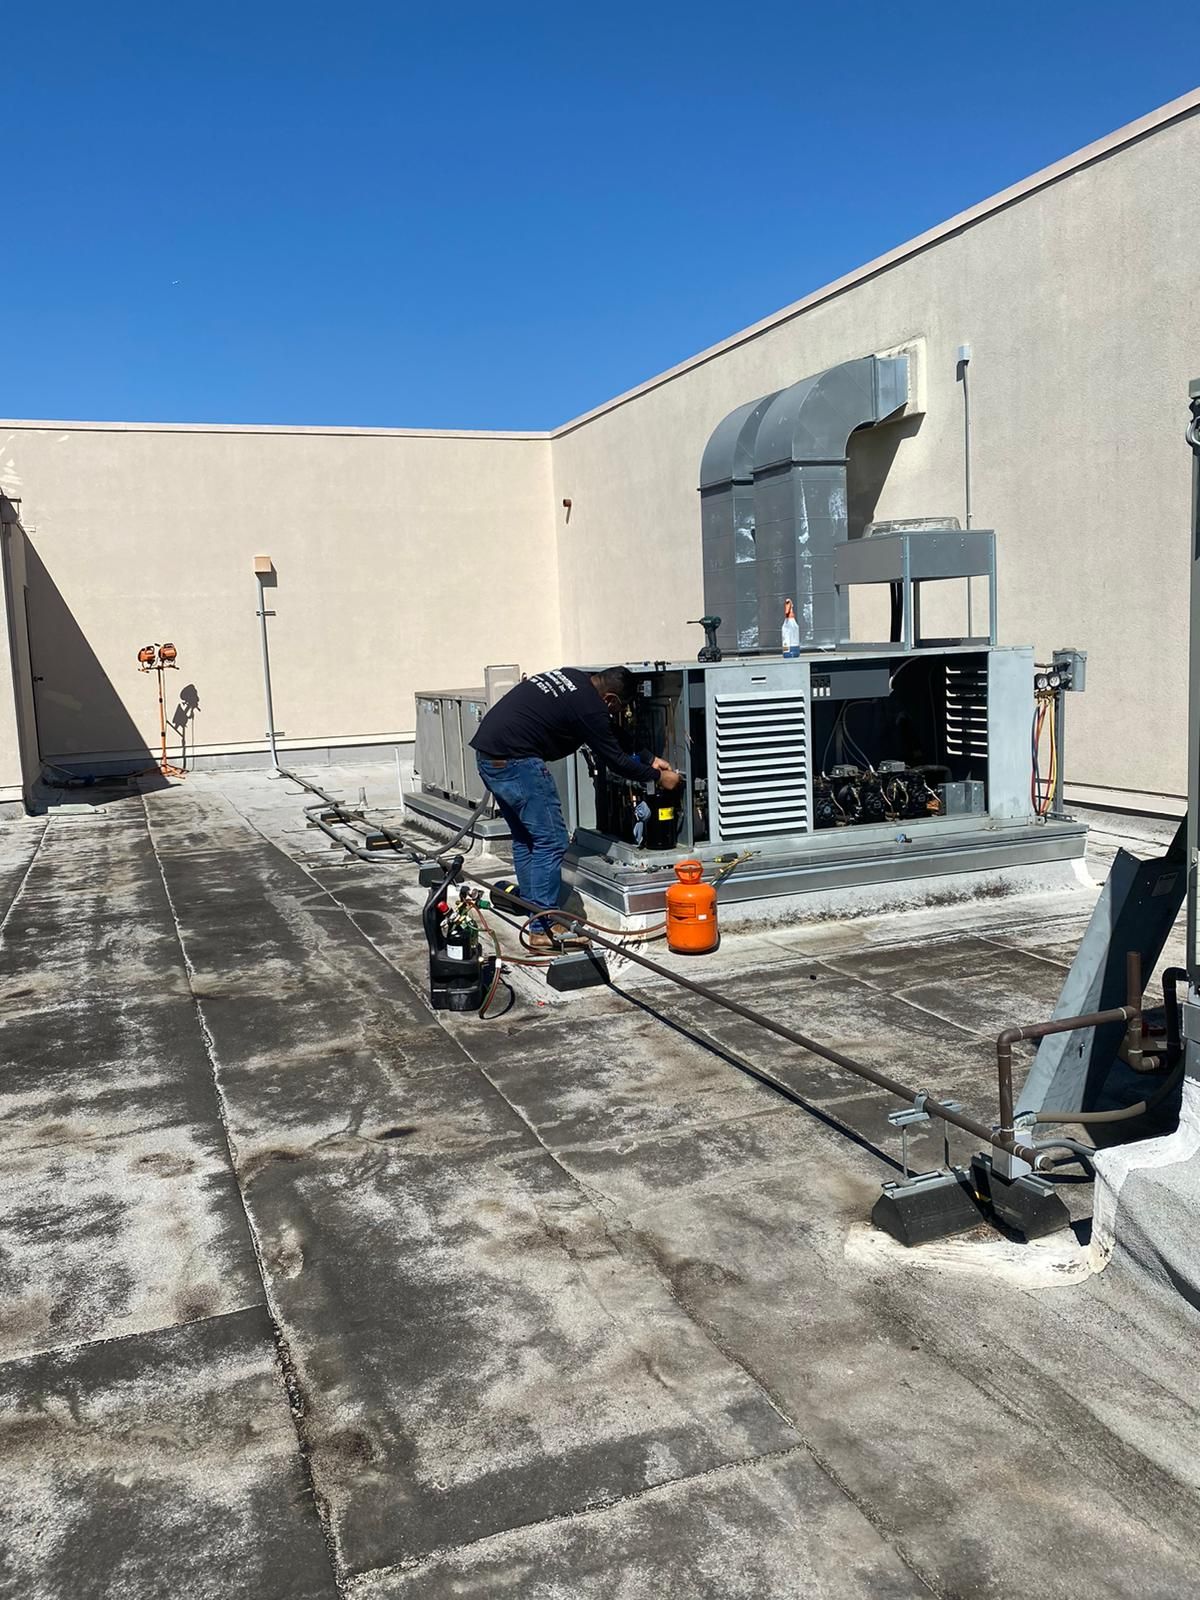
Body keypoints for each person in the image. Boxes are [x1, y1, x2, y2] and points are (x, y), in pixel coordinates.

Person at [471, 666, 682, 950]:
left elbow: (611, 732)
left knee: (526, 837)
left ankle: (534, 910)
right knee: (552, 841)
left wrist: (649, 757)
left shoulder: (574, 678)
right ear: (610, 700)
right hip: (517, 762)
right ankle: (542, 927)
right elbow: (616, 761)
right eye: (619, 707)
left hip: (488, 757)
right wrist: (659, 777)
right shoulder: (591, 708)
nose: (617, 712)